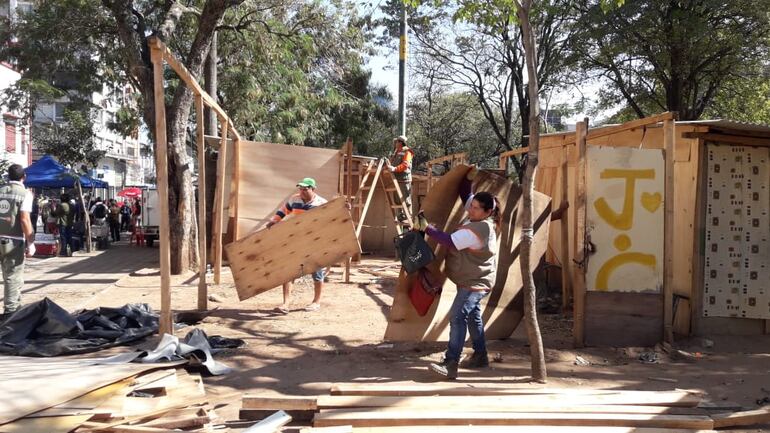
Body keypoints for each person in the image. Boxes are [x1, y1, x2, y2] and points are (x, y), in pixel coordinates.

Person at [421, 170, 499, 380]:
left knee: (457, 316)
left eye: (475, 208)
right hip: (473, 278)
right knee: (472, 316)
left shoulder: (479, 229)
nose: (470, 209)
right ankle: (481, 356)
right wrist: (467, 177)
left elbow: (449, 241)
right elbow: (466, 195)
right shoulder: (478, 216)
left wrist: (426, 229)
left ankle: (451, 362)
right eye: (471, 207)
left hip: (475, 282)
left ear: (488, 212)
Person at [266, 177, 328, 313]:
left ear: (313, 189)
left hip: (314, 241)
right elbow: (283, 211)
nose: (302, 191)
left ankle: (316, 302)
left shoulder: (321, 203)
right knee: (288, 272)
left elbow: (332, 217)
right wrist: (274, 221)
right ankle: (285, 304)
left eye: (305, 189)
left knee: (317, 272)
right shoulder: (295, 199)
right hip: (295, 239)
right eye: (300, 188)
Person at [0, 164, 35, 317]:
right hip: (13, 242)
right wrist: (31, 242)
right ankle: (11, 313)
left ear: (8, 176)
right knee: (12, 276)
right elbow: (24, 219)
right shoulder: (25, 194)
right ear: (24, 177)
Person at [386, 135, 414, 223]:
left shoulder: (407, 152)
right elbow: (391, 163)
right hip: (397, 179)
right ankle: (400, 216)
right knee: (397, 200)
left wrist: (394, 169)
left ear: (400, 143)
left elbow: (405, 165)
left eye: (396, 142)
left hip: (404, 179)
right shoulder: (396, 152)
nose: (395, 144)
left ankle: (407, 216)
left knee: (406, 199)